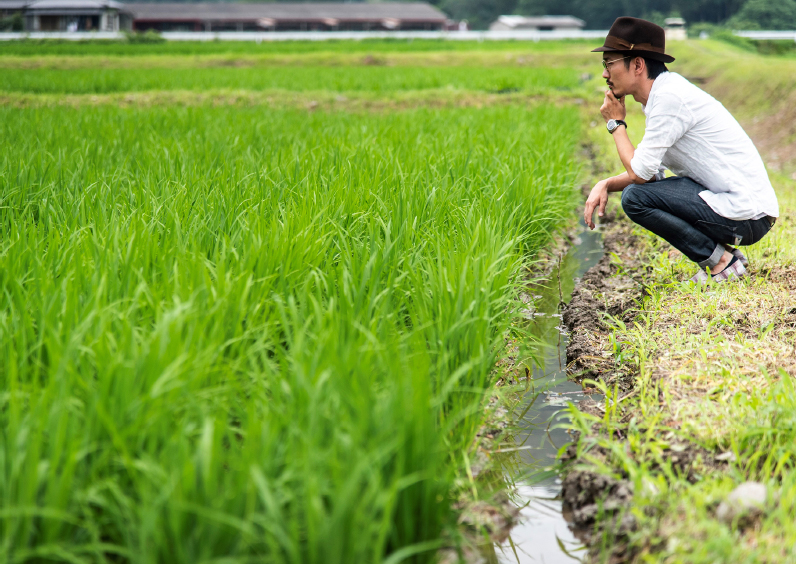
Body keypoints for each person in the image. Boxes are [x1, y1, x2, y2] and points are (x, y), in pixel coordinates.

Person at [584, 17, 779, 283]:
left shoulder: (669, 99)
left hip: (748, 215)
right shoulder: (662, 97)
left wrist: (616, 124)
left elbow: (640, 174)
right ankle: (724, 257)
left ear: (638, 64)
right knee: (637, 193)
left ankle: (722, 263)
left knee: (634, 198)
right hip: (744, 210)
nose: (605, 74)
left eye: (609, 64)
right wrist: (605, 183)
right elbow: (650, 173)